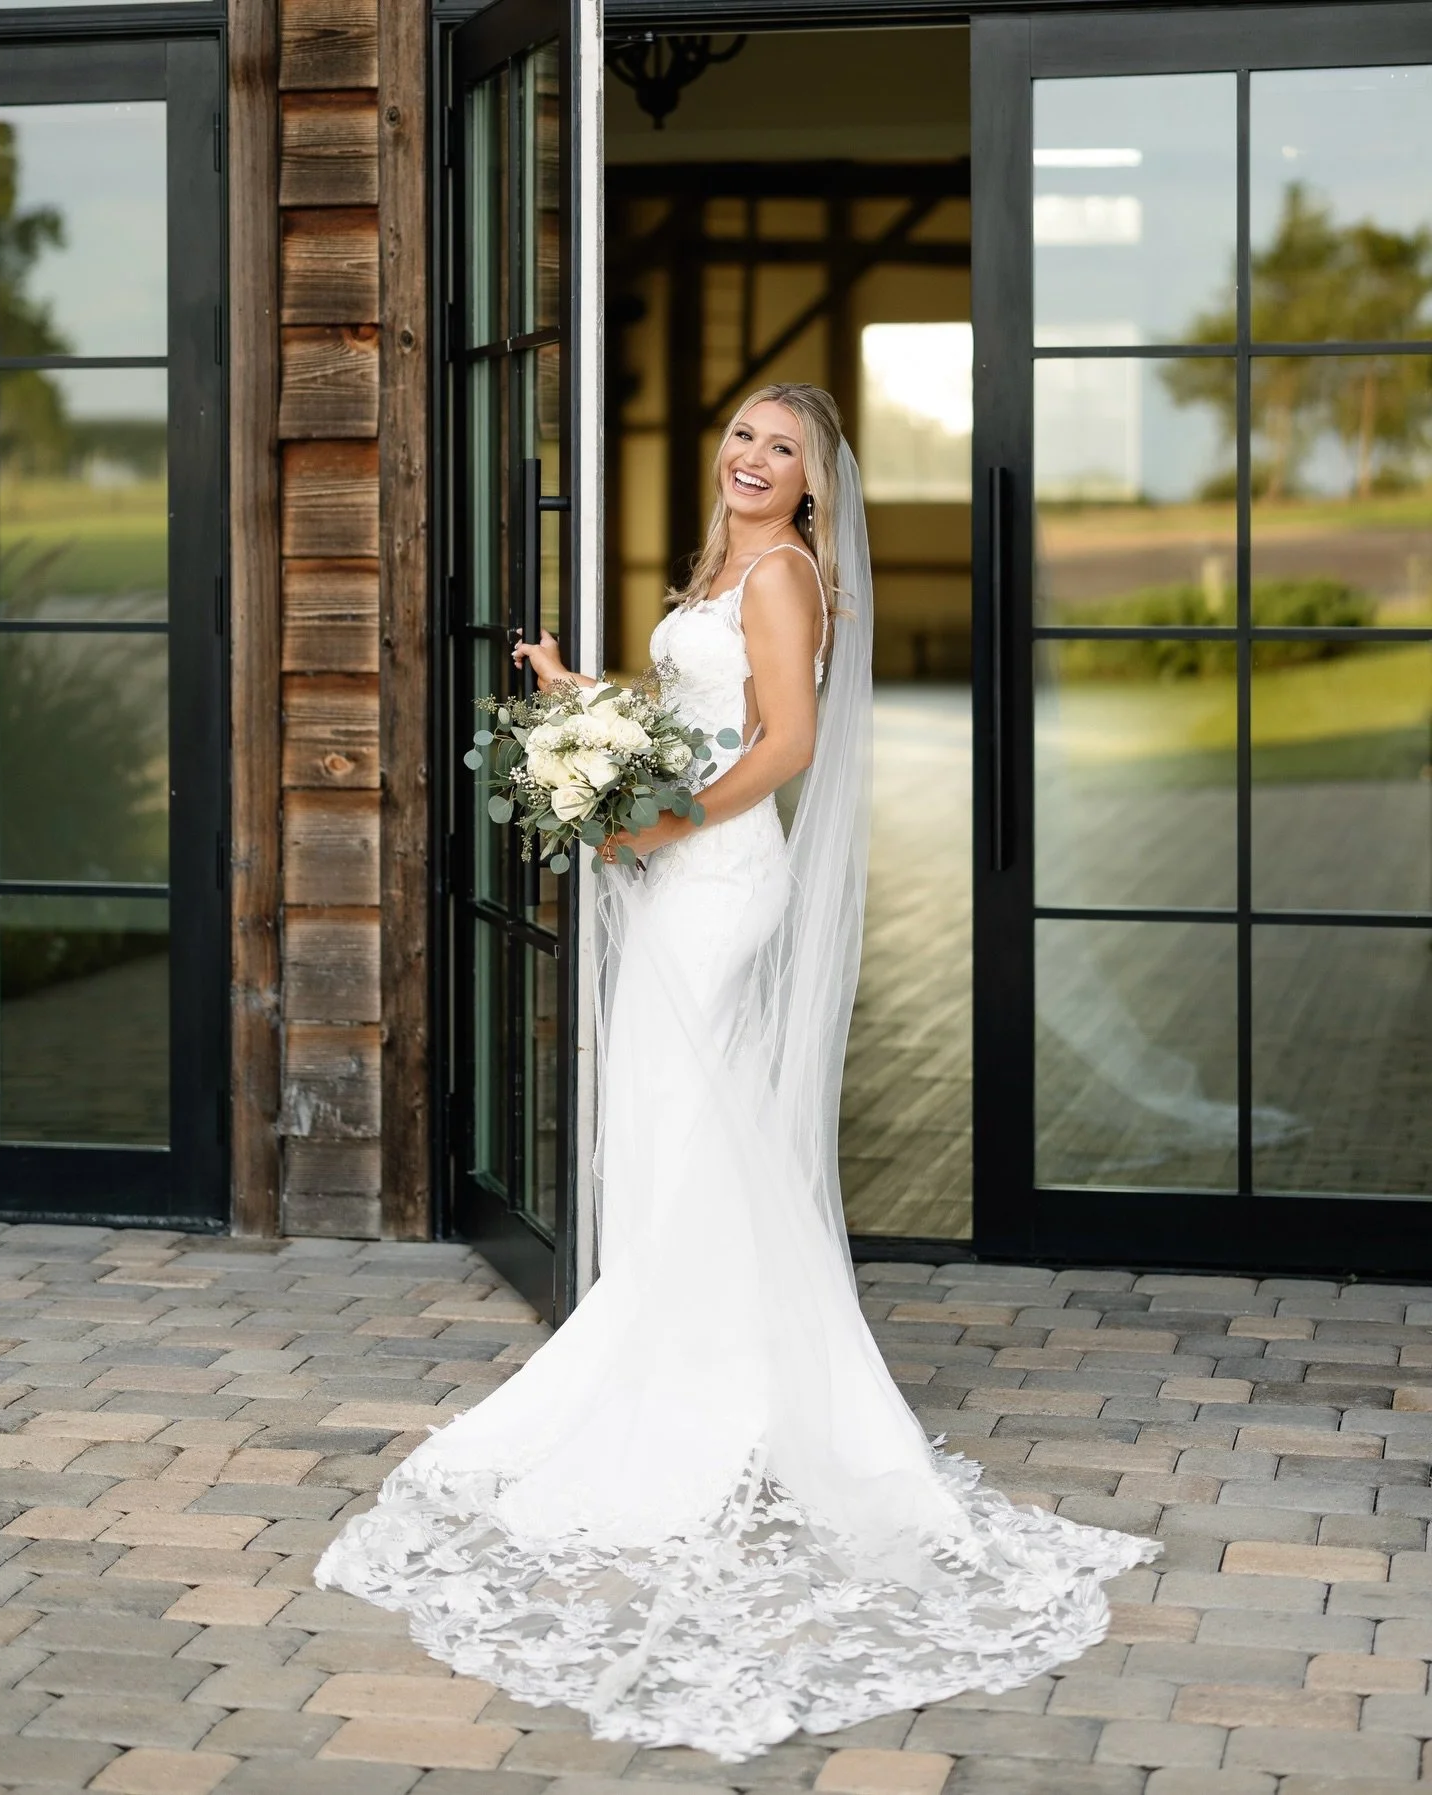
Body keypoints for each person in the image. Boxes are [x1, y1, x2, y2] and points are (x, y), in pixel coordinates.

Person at [315, 383, 1157, 1762]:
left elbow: (788, 746)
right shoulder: (718, 567)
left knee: (688, 1114)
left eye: (786, 450)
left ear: (814, 486)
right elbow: (702, 717)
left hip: (719, 880)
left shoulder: (783, 575)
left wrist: (656, 824)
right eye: (746, 437)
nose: (755, 460)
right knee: (666, 1117)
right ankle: (699, 1350)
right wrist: (592, 713)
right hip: (680, 865)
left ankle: (714, 1386)